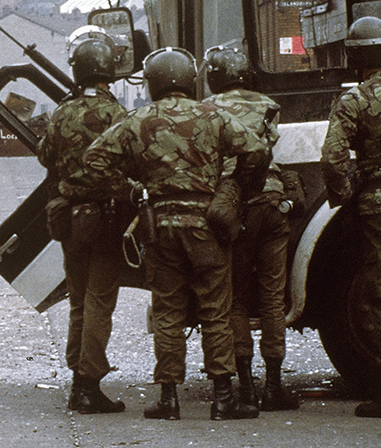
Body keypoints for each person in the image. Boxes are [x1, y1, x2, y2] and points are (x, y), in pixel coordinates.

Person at [84, 47, 269, 421]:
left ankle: (168, 399)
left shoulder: (136, 119)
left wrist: (131, 191)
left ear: (151, 83)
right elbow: (258, 150)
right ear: (189, 79)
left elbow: (93, 159)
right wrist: (235, 191)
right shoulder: (214, 115)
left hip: (160, 227)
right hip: (207, 227)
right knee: (216, 311)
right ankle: (223, 399)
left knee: (168, 311)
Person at [37, 27, 129, 414]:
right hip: (105, 219)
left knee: (79, 300)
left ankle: (78, 378)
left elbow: (45, 156)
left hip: (68, 220)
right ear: (108, 71)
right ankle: (88, 385)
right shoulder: (117, 113)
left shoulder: (62, 113)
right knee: (99, 302)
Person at [203, 46, 299, 412]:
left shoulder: (207, 109)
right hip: (272, 203)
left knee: (236, 299)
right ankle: (274, 387)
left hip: (235, 206)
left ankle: (246, 388)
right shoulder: (268, 104)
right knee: (273, 297)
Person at [321, 16, 381, 419]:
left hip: (380, 209)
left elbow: (332, 159)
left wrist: (346, 199)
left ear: (356, 59)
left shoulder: (355, 100)